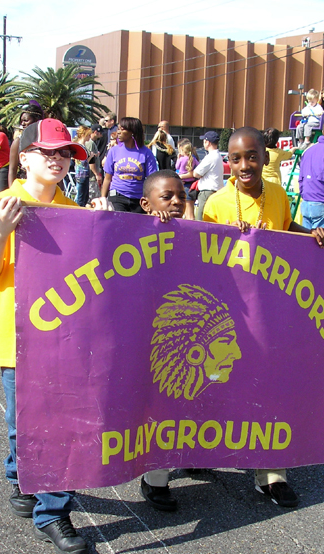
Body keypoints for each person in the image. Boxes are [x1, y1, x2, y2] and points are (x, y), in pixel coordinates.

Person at [0, 118, 92, 554]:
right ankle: (20, 476)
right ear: (23, 157)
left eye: (64, 153)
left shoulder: (76, 213)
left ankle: (51, 512)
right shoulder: (1, 203)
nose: (56, 159)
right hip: (15, 337)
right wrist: (2, 230)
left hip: (64, 342)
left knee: (55, 428)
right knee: (20, 427)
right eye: (47, 151)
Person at [203, 127, 324, 508]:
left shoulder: (277, 194)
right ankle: (197, 451)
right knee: (215, 385)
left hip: (272, 314)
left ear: (265, 156)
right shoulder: (217, 203)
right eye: (236, 158)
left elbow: (287, 230)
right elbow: (201, 257)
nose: (244, 165)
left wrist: (313, 235)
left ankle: (271, 475)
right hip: (229, 315)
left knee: (269, 390)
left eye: (252, 156)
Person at [136, 170, 189, 511]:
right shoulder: (135, 232)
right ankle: (154, 479)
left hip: (186, 339)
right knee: (153, 407)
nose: (175, 203)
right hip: (146, 337)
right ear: (146, 204)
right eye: (166, 197)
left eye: (180, 196)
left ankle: (191, 458)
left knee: (182, 404)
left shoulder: (194, 234)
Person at [100, 116, 158, 212]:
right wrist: (103, 198)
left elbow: (152, 180)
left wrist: (152, 202)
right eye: (118, 129)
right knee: (119, 224)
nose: (118, 132)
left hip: (138, 199)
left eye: (122, 129)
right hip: (117, 196)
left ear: (132, 132)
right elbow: (107, 178)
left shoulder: (146, 153)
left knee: (136, 226)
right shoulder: (114, 151)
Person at [7, 101, 46, 188]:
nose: (22, 124)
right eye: (21, 121)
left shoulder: (46, 141)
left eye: (26, 120)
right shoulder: (18, 142)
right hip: (25, 186)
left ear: (37, 120)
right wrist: (12, 191)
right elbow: (12, 170)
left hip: (45, 187)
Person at [192, 131, 225, 220]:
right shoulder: (218, 156)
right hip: (217, 190)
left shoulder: (210, 157)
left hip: (207, 192)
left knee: (201, 218)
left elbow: (196, 173)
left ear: (207, 142)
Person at [72, 126, 92, 206]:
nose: (89, 137)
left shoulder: (82, 146)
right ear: (84, 135)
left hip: (84, 174)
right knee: (81, 198)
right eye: (88, 135)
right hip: (81, 174)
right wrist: (91, 156)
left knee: (84, 197)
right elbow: (83, 162)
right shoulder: (80, 146)